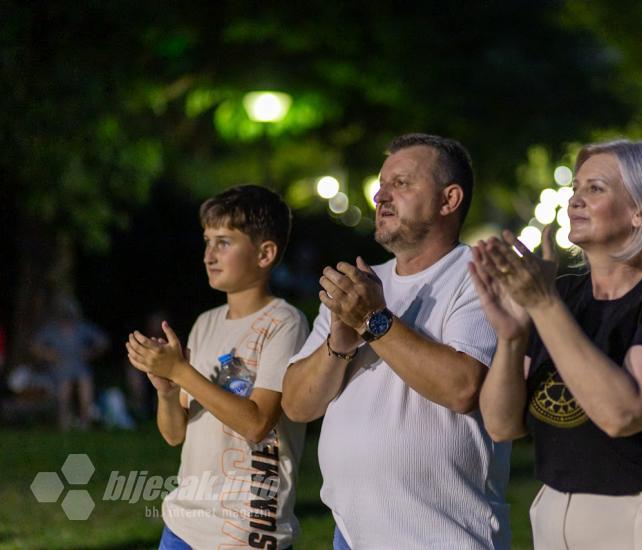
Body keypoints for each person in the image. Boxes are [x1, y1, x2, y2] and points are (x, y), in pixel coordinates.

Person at [471, 139, 642, 549]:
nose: (575, 202)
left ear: (641, 211)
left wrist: (541, 304)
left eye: (595, 189)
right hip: (556, 509)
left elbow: (622, 413)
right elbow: (500, 424)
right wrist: (512, 337)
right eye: (575, 191)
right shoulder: (563, 294)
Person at [281, 133, 510, 549]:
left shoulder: (480, 275)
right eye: (382, 185)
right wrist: (339, 342)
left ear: (449, 199)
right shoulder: (360, 282)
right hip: (351, 535)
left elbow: (462, 388)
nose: (381, 197)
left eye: (402, 184)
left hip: (444, 536)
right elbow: (297, 405)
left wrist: (373, 319)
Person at [126, 185, 308, 550]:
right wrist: (167, 390)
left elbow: (257, 423)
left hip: (245, 529)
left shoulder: (285, 322)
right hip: (183, 522)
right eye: (207, 241)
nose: (209, 254)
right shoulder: (206, 322)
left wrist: (181, 372)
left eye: (224, 242)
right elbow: (175, 433)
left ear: (265, 253)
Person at [32, 296, 108, 430]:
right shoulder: (51, 330)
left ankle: (85, 420)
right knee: (64, 385)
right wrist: (48, 354)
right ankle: (64, 420)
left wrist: (91, 353)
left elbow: (102, 341)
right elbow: (35, 346)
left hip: (79, 365)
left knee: (85, 382)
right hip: (59, 367)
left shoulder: (82, 327)